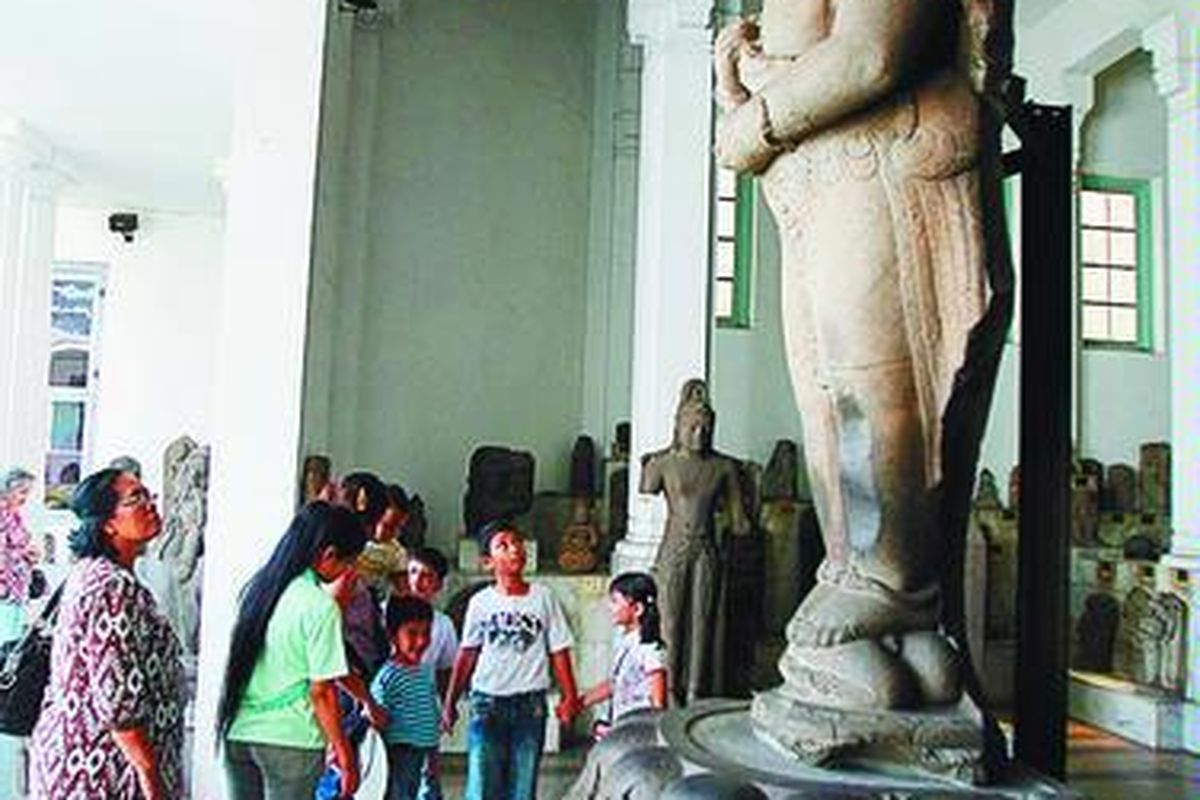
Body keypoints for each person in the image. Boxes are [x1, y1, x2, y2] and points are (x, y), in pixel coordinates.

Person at [713, 0, 1013, 722]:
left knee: (874, 384)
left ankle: (892, 584)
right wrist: (746, 81)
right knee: (825, 393)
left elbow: (872, 53)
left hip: (879, 155)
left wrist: (752, 122)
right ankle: (873, 598)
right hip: (821, 169)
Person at [30, 468, 184, 800]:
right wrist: (152, 778)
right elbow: (118, 702)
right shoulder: (112, 587)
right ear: (108, 523)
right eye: (136, 498)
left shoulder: (96, 575)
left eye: (148, 495)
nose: (150, 504)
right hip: (101, 773)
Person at [217, 502, 367, 800]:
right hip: (291, 741)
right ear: (329, 555)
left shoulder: (258, 591)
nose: (349, 572)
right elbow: (321, 692)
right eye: (349, 563)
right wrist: (344, 753)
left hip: (239, 734)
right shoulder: (319, 605)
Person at [443, 520, 582, 800]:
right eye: (503, 545)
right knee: (482, 784)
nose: (514, 549)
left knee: (522, 787)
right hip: (487, 702)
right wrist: (450, 702)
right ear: (487, 562)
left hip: (530, 705)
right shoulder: (480, 603)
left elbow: (559, 651)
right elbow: (467, 654)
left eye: (517, 542)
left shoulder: (543, 598)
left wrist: (569, 697)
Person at [640, 380, 747, 705]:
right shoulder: (662, 463)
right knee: (670, 622)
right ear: (678, 426)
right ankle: (670, 691)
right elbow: (646, 489)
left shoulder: (723, 467)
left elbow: (740, 522)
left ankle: (696, 690)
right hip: (673, 547)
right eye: (692, 427)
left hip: (706, 549)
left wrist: (746, 499)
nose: (699, 435)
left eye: (705, 429)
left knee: (702, 622)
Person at [579, 572, 667, 738]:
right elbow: (616, 684)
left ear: (637, 609)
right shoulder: (627, 641)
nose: (610, 607)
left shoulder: (650, 650)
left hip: (638, 735)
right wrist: (580, 703)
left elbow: (658, 704)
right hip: (622, 729)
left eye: (615, 601)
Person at [370, 596, 441, 800]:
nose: (421, 641)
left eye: (426, 633)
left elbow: (430, 711)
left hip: (427, 754)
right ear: (392, 636)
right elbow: (375, 720)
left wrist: (434, 753)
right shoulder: (388, 676)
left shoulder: (425, 670)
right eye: (412, 633)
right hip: (400, 756)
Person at [405, 546, 458, 800]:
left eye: (426, 576)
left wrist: (448, 705)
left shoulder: (443, 624)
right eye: (413, 572)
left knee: (427, 776)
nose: (417, 581)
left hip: (424, 709)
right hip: (389, 707)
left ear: (438, 584)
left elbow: (446, 671)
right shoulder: (384, 612)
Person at [0, 468, 38, 640]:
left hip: (16, 587)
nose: (25, 498)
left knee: (13, 635)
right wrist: (24, 554)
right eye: (22, 492)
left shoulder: (14, 515)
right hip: (5, 588)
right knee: (6, 636)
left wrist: (29, 554)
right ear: (8, 490)